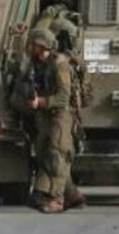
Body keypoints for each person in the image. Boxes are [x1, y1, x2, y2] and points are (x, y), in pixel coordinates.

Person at [12, 28, 84, 214]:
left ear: (42, 45)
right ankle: (72, 195)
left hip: (61, 114)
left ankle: (57, 199)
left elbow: (63, 97)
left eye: (34, 44)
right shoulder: (36, 64)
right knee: (43, 153)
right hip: (45, 114)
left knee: (57, 154)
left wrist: (41, 102)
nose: (30, 47)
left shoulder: (60, 64)